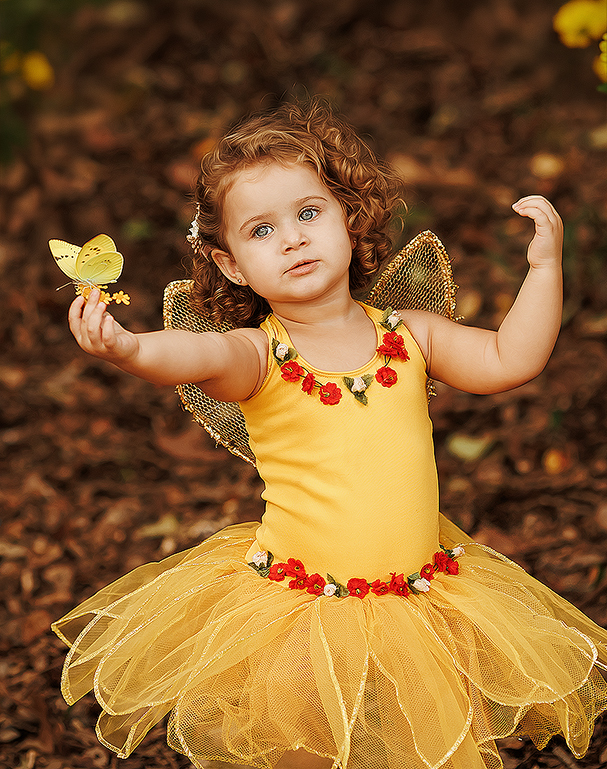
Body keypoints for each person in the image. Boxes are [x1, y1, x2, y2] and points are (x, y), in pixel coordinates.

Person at [53, 101, 606, 769]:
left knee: (425, 744)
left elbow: (508, 359)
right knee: (303, 746)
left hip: (417, 597)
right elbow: (195, 355)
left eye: (308, 214)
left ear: (348, 218)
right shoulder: (258, 354)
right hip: (299, 606)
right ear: (231, 265)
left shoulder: (410, 334)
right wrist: (130, 349)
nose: (291, 239)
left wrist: (544, 270)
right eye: (262, 230)